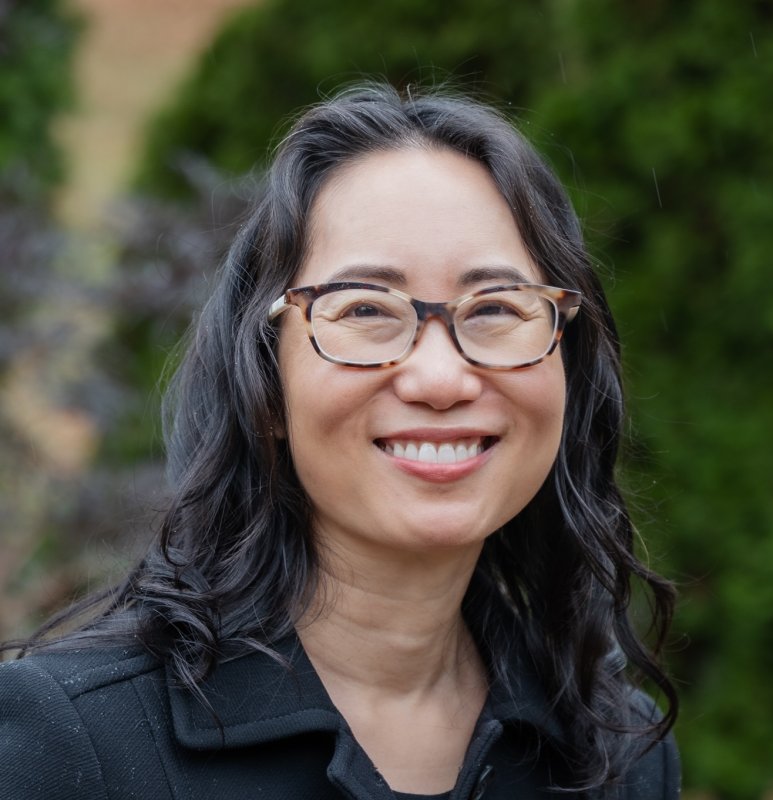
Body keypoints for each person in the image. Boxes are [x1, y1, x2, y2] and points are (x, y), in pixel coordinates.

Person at [0, 81, 679, 799]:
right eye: (364, 308)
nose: (441, 377)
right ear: (266, 386)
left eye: (497, 308)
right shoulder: (73, 746)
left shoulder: (616, 752)